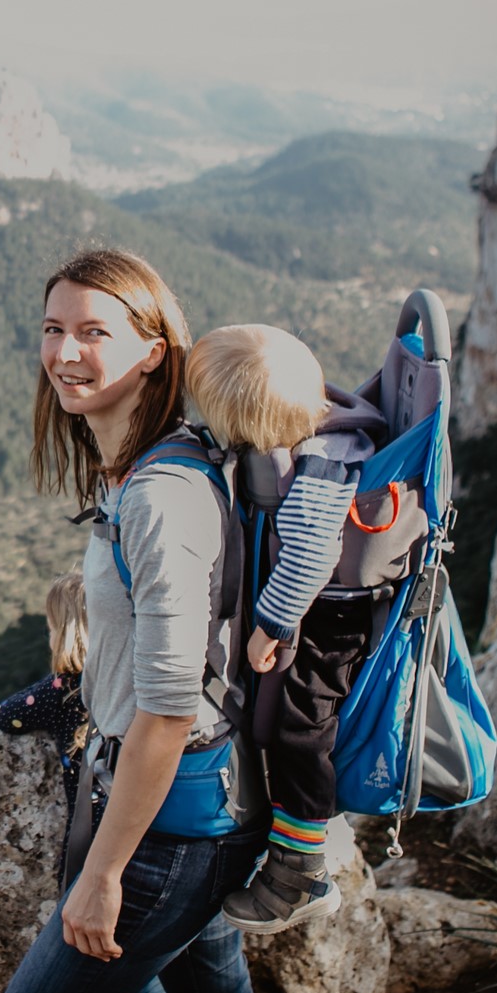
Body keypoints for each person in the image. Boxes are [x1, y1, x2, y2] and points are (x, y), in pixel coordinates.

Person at [0, 248, 291, 993]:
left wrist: (104, 873)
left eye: (95, 332)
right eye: (54, 330)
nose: (66, 353)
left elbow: (167, 708)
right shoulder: (159, 462)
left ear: (155, 348)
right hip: (208, 810)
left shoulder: (160, 495)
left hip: (170, 828)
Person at [185, 324, 373, 935]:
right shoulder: (321, 427)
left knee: (299, 729)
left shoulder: (322, 466)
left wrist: (271, 624)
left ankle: (300, 872)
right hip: (316, 608)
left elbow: (311, 556)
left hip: (328, 618)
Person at [0, 572, 193, 993]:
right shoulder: (140, 684)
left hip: (103, 870)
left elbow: (7, 716)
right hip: (170, 854)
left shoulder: (62, 695)